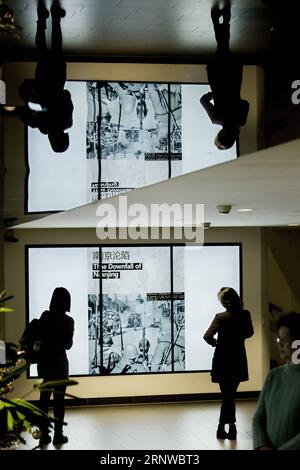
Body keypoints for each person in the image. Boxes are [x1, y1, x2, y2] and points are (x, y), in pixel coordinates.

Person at [18, 0, 73, 153]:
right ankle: (41, 19)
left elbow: (67, 96)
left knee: (56, 49)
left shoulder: (66, 123)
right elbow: (25, 113)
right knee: (41, 52)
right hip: (41, 83)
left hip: (57, 81)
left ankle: (56, 18)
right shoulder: (43, 127)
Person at [203, 287, 253, 439]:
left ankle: (223, 428)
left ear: (225, 302)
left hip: (222, 359)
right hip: (237, 358)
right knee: (230, 395)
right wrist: (238, 338)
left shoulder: (220, 317)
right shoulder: (245, 314)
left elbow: (207, 336)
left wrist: (216, 342)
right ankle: (230, 428)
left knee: (227, 395)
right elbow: (249, 333)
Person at [200, 0, 249, 150]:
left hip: (233, 79)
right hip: (217, 78)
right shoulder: (216, 119)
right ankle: (217, 21)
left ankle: (225, 20)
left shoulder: (240, 121)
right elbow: (203, 100)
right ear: (220, 134)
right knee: (221, 48)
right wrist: (213, 94)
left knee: (224, 48)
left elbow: (245, 104)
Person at [252, 312, 300, 450]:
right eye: (278, 340)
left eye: (284, 340)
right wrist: (260, 445)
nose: (279, 345)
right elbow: (258, 419)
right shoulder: (273, 376)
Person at [37, 287, 74, 446]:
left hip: (45, 363)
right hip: (60, 364)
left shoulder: (45, 316)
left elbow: (38, 337)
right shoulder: (68, 321)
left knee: (44, 399)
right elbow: (68, 345)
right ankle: (58, 434)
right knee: (59, 401)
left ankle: (44, 434)